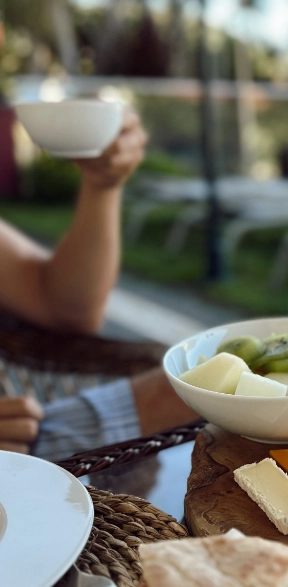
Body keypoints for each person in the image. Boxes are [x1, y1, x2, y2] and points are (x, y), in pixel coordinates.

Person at [0, 109, 198, 460]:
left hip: (34, 408)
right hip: (22, 451)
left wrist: (101, 184)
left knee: (224, 377)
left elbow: (63, 306)